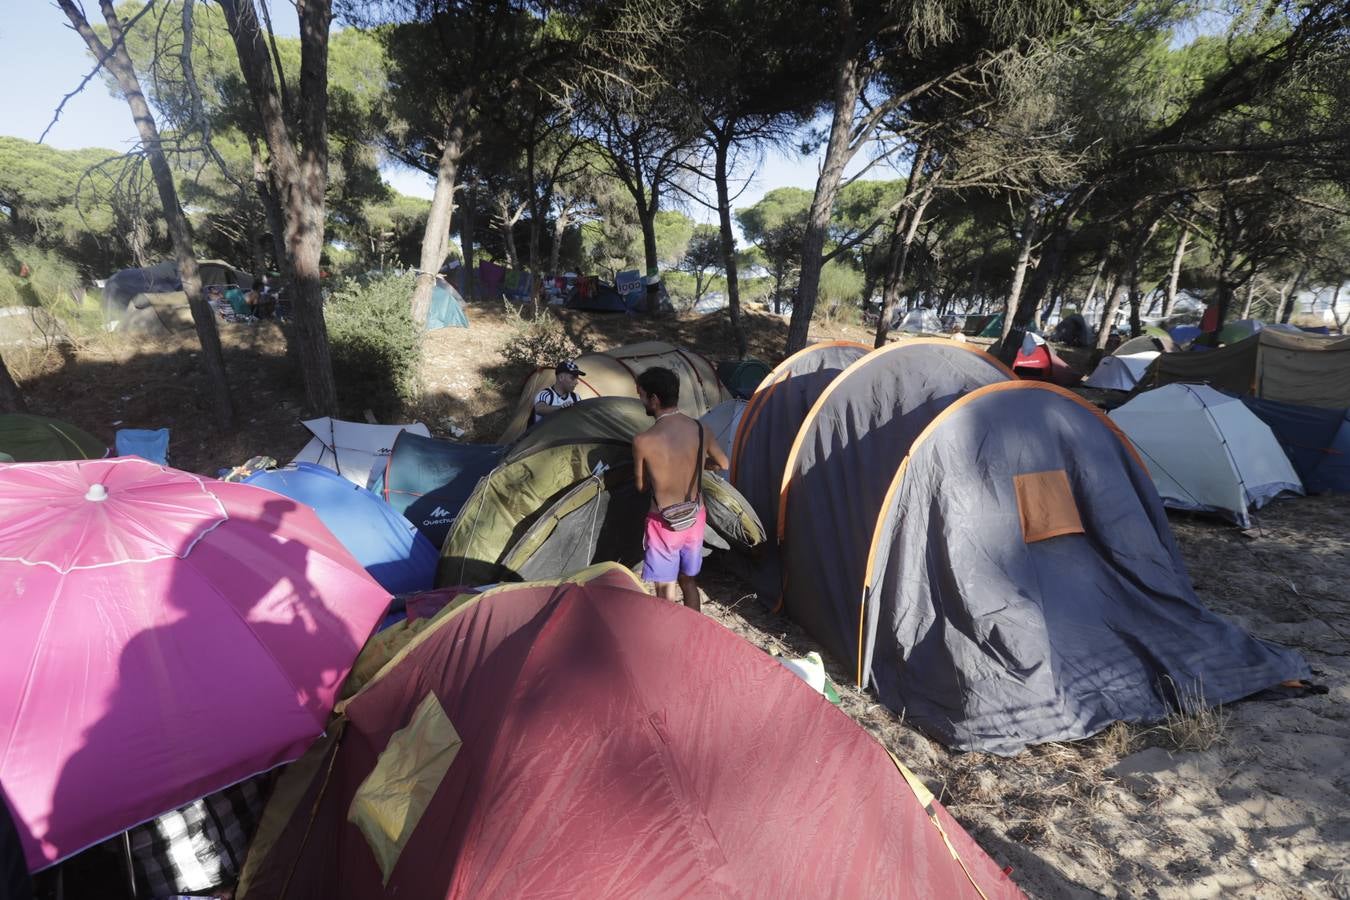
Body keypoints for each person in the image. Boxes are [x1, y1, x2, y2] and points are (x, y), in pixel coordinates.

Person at [633, 367, 728, 612]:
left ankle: (670, 643)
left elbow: (641, 485)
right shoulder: (700, 429)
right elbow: (723, 463)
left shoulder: (643, 441)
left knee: (665, 590)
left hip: (663, 524)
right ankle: (693, 632)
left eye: (641, 395)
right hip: (695, 517)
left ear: (654, 399)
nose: (640, 400)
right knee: (688, 581)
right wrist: (698, 464)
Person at [530, 360, 584, 427]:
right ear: (561, 377)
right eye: (572, 378)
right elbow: (539, 409)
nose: (576, 382)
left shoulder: (576, 397)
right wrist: (561, 408)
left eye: (577, 379)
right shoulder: (546, 394)